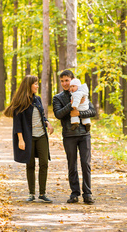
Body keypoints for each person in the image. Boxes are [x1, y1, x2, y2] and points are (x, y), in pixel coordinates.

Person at [4, 75, 54, 203]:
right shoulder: (20, 102)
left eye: (37, 84)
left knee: (44, 163)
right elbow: (17, 123)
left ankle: (42, 193)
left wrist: (47, 122)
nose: (37, 86)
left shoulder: (37, 99)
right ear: (29, 85)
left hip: (41, 135)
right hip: (28, 137)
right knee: (30, 164)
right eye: (35, 84)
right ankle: (31, 193)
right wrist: (21, 139)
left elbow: (42, 115)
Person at [53, 70, 96, 204]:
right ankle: (74, 193)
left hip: (84, 134)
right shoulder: (58, 97)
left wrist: (80, 113)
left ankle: (87, 194)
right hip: (69, 135)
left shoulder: (82, 91)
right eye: (62, 81)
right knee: (72, 165)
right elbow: (58, 114)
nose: (65, 83)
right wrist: (71, 105)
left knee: (86, 164)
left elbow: (93, 111)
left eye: (67, 80)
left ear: (73, 80)